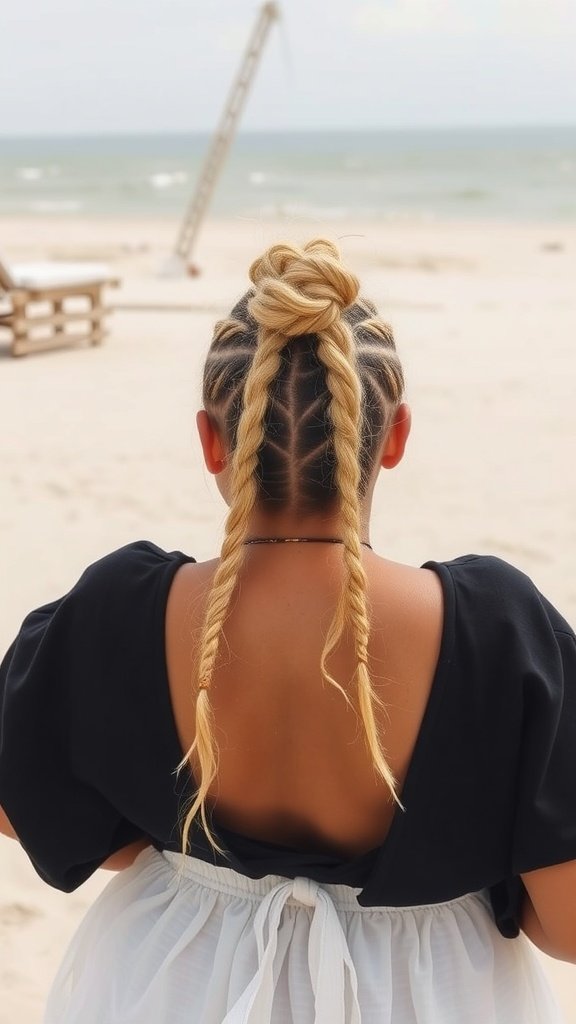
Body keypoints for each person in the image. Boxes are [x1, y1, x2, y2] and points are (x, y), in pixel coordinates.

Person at [0, 238, 575, 1024]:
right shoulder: (497, 630)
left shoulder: (124, 610)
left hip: (174, 980)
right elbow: (566, 924)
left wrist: (154, 842)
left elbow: (20, 797)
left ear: (211, 439)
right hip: (429, 996)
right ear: (395, 436)